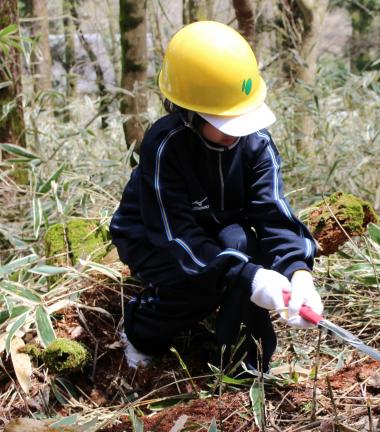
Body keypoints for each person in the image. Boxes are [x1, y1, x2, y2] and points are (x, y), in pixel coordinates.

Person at [109, 21, 323, 372]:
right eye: (226, 120)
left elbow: (272, 214)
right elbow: (174, 235)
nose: (237, 130)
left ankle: (243, 365)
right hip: (152, 238)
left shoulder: (256, 144)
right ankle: (141, 332)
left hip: (219, 231)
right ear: (189, 113)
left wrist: (297, 272)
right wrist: (247, 276)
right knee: (200, 280)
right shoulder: (165, 146)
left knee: (244, 250)